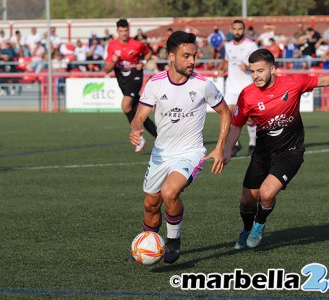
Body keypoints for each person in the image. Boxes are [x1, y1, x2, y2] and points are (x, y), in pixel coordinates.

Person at [223, 48, 329, 249]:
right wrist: (226, 150)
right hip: (263, 153)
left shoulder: (293, 82)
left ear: (272, 69)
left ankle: (259, 224)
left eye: (260, 70)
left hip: (290, 152)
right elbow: (236, 125)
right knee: (246, 202)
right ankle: (246, 228)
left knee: (266, 194)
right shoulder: (247, 95)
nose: (256, 76)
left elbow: (323, 81)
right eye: (252, 71)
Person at [129, 30, 232, 264]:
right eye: (186, 56)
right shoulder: (155, 84)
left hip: (190, 152)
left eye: (194, 55)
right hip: (161, 154)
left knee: (169, 192)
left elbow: (226, 112)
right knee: (150, 203)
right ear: (172, 56)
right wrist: (135, 129)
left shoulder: (204, 85)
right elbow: (140, 115)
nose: (193, 61)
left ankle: (173, 241)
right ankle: (149, 243)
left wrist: (220, 148)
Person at [104, 19, 157, 152]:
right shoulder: (111, 46)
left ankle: (138, 137)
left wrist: (143, 62)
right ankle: (161, 138)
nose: (124, 33)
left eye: (126, 30)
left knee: (125, 105)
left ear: (129, 30)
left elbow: (148, 53)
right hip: (122, 79)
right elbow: (107, 69)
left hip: (135, 76)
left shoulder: (136, 44)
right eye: (121, 31)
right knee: (139, 111)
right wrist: (114, 62)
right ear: (117, 31)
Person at [217, 20, 258, 157]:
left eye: (240, 29)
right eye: (234, 29)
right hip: (231, 85)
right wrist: (220, 69)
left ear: (244, 30)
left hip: (246, 84)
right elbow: (226, 60)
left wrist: (248, 67)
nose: (237, 32)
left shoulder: (251, 45)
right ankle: (235, 144)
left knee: (249, 118)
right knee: (228, 115)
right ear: (231, 30)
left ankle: (253, 143)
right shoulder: (228, 45)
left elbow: (259, 63)